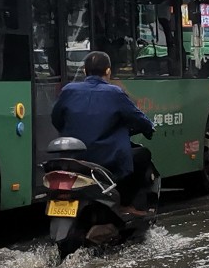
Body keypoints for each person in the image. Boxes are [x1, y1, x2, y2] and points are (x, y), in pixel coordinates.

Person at [52, 50, 155, 213]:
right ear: (108, 71)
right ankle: (125, 204)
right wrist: (149, 128)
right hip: (106, 159)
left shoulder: (68, 90)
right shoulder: (115, 93)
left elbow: (56, 119)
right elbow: (138, 118)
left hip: (73, 158)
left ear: (85, 71)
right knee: (143, 156)